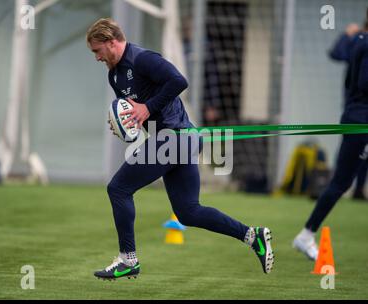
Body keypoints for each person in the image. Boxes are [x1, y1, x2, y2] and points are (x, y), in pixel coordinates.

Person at [86, 18, 274, 279]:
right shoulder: (114, 76)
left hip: (175, 136)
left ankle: (128, 260)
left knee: (118, 188)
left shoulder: (143, 58)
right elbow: (134, 118)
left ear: (111, 42)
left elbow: (178, 80)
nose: (96, 57)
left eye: (97, 50)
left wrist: (147, 107)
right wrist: (124, 126)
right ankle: (252, 236)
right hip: (175, 141)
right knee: (188, 211)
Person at [292, 20, 368, 261]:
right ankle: (306, 235)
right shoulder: (361, 42)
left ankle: (305, 235)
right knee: (341, 182)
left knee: (341, 182)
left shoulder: (359, 42)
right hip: (361, 120)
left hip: (355, 114)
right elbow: (363, 83)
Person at [328, 20, 368, 200]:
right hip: (356, 111)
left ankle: (358, 187)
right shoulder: (359, 41)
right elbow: (336, 53)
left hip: (357, 111)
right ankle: (341, 186)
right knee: (352, 148)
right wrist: (346, 35)